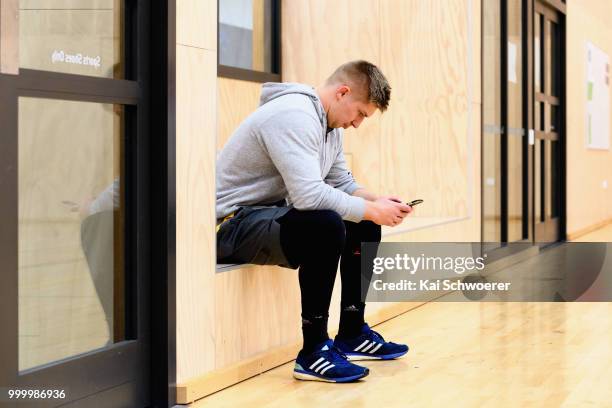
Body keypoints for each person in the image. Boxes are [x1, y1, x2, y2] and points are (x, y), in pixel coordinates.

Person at [216, 60, 414, 383]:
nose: (358, 124)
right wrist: (368, 208)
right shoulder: (295, 115)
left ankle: (351, 332)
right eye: (361, 113)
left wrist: (377, 202)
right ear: (343, 93)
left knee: (363, 223)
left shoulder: (329, 126)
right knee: (326, 226)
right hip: (229, 224)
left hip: (262, 216)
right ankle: (313, 351)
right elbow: (309, 197)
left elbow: (341, 184)